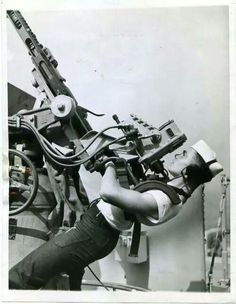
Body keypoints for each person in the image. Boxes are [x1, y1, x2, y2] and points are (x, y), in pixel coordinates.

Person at [9, 140, 223, 290]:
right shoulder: (170, 191)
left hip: (92, 233)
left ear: (188, 171)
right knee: (69, 284)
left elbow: (109, 192)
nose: (178, 155)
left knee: (22, 275)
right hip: (96, 231)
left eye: (184, 155)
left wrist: (109, 163)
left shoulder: (165, 200)